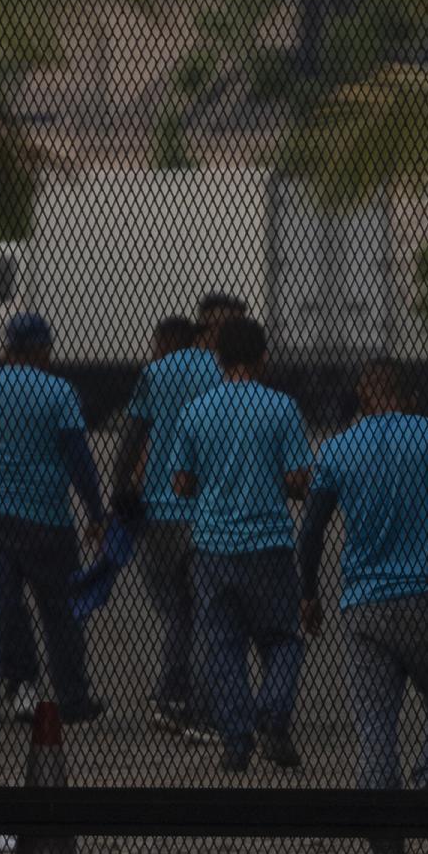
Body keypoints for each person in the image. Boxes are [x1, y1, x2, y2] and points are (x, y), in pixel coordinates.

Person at [297, 358, 428, 854]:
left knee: (375, 723)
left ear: (362, 401)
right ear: (410, 398)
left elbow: (312, 531)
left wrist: (310, 594)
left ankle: (384, 832)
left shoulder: (338, 449)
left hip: (364, 604)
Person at [158, 315, 314, 774]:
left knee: (223, 643)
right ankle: (272, 715)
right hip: (268, 542)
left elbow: (182, 482)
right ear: (263, 358)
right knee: (282, 637)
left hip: (212, 545)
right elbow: (297, 479)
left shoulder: (197, 409)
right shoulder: (281, 407)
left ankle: (235, 741)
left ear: (218, 358)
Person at [115, 298, 247, 738]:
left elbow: (133, 436)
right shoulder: (228, 378)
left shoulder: (158, 372)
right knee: (210, 612)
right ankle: (205, 711)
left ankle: (172, 697)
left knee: (179, 610)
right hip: (208, 513)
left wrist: (121, 489)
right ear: (212, 329)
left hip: (159, 512)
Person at [0, 314, 107, 724]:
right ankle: (71, 698)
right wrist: (95, 511)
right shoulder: (58, 391)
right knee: (60, 613)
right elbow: (78, 459)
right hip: (47, 519)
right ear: (41, 350)